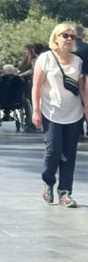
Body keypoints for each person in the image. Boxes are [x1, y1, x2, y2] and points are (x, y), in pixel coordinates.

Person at [32, 24, 86, 207]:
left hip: (74, 113)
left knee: (69, 154)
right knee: (53, 151)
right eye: (65, 35)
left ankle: (65, 192)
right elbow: (36, 86)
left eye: (72, 36)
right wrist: (35, 110)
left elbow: (82, 89)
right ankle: (48, 182)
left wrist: (87, 109)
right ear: (55, 38)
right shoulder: (45, 58)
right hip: (51, 112)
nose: (69, 39)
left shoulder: (78, 61)